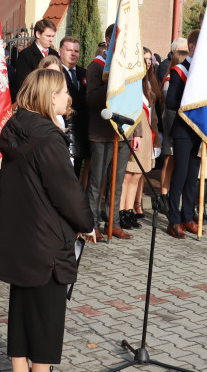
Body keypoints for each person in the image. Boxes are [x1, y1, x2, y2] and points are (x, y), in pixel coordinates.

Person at [0, 68, 95, 372]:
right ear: (51, 96)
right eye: (65, 92)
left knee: (22, 303)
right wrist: (87, 223)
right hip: (47, 235)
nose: (69, 97)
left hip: (19, 233)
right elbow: (65, 190)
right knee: (49, 307)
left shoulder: (16, 127)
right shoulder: (49, 137)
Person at [85, 24, 132, 241]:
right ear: (107, 40)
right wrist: (113, 82)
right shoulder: (96, 66)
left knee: (117, 181)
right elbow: (91, 98)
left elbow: (135, 101)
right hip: (101, 132)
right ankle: (91, 224)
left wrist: (136, 130)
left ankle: (113, 223)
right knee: (97, 182)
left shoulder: (127, 67)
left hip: (122, 132)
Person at [165, 29, 206, 238]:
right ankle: (173, 220)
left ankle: (187, 216)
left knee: (192, 177)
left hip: (199, 130)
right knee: (180, 176)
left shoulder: (204, 72)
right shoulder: (180, 70)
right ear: (191, 47)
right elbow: (170, 101)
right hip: (182, 130)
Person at [119, 55, 161, 229]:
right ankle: (121, 212)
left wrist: (156, 139)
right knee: (128, 174)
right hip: (135, 132)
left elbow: (153, 116)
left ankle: (129, 210)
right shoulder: (130, 85)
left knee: (137, 175)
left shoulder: (147, 86)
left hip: (146, 133)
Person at [159, 40, 189, 196]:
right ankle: (164, 194)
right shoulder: (169, 81)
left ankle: (171, 194)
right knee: (169, 162)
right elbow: (170, 109)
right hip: (172, 129)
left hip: (179, 130)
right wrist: (173, 133)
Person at [58, 35, 88, 176]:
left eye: (76, 51)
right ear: (60, 52)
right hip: (63, 129)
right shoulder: (56, 73)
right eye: (69, 50)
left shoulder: (84, 73)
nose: (73, 54)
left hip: (81, 132)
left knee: (76, 173)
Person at [14, 18, 58, 97]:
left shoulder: (55, 54)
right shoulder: (25, 55)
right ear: (38, 34)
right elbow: (23, 84)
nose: (51, 40)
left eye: (53, 36)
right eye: (48, 36)